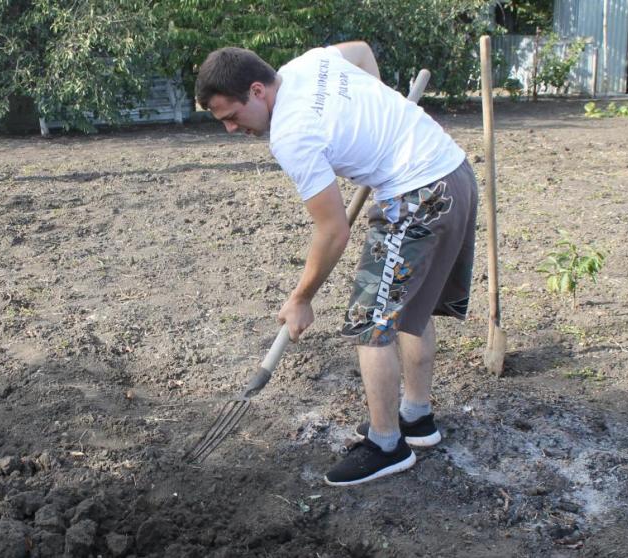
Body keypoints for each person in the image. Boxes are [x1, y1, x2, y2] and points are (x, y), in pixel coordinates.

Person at [195, 43, 478, 486]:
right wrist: (383, 119)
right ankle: (417, 419)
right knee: (411, 306)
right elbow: (363, 53)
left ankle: (387, 445)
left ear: (256, 91)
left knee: (370, 321)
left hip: (418, 195)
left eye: (230, 116)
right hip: (453, 172)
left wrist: (301, 298)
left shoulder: (291, 135)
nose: (231, 128)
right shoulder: (308, 64)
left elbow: (332, 232)